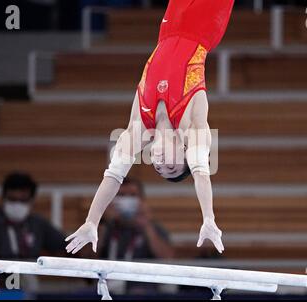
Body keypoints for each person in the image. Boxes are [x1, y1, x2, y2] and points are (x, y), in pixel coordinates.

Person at [66, 0, 235, 255]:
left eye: (159, 169)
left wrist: (92, 221)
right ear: (186, 151)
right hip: (205, 25)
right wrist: (208, 218)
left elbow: (113, 177)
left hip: (169, 26)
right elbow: (201, 173)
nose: (159, 163)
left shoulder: (138, 126)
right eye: (171, 166)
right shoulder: (192, 127)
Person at [0, 172, 67, 289]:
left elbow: (67, 248)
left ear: (31, 200)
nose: (17, 205)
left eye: (23, 200)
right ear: (3, 198)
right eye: (12, 200)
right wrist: (0, 293)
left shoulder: (37, 223)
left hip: (20, 289)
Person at [96, 177, 174, 294]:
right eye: (121, 195)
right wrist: (102, 220)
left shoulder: (154, 228)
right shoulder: (105, 227)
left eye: (132, 195)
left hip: (144, 289)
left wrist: (146, 225)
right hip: (106, 288)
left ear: (141, 200)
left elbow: (168, 258)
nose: (127, 200)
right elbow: (89, 257)